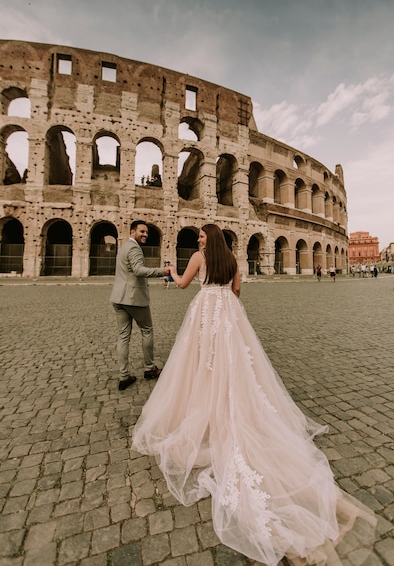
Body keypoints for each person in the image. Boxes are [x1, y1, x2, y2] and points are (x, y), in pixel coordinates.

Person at [132, 224, 376, 566]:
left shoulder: (199, 258)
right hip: (228, 316)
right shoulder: (231, 259)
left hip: (205, 314)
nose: (199, 239)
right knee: (233, 368)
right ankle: (224, 405)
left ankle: (205, 414)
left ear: (208, 239)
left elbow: (184, 284)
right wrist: (225, 312)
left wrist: (171, 271)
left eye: (202, 236)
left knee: (202, 366)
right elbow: (236, 292)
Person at [110, 220, 170, 390]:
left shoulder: (123, 247)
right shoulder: (134, 248)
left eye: (147, 233)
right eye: (142, 231)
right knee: (147, 330)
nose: (145, 235)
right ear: (132, 232)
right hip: (134, 297)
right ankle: (150, 369)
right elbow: (138, 270)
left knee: (123, 336)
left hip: (118, 297)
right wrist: (162, 271)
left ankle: (123, 376)